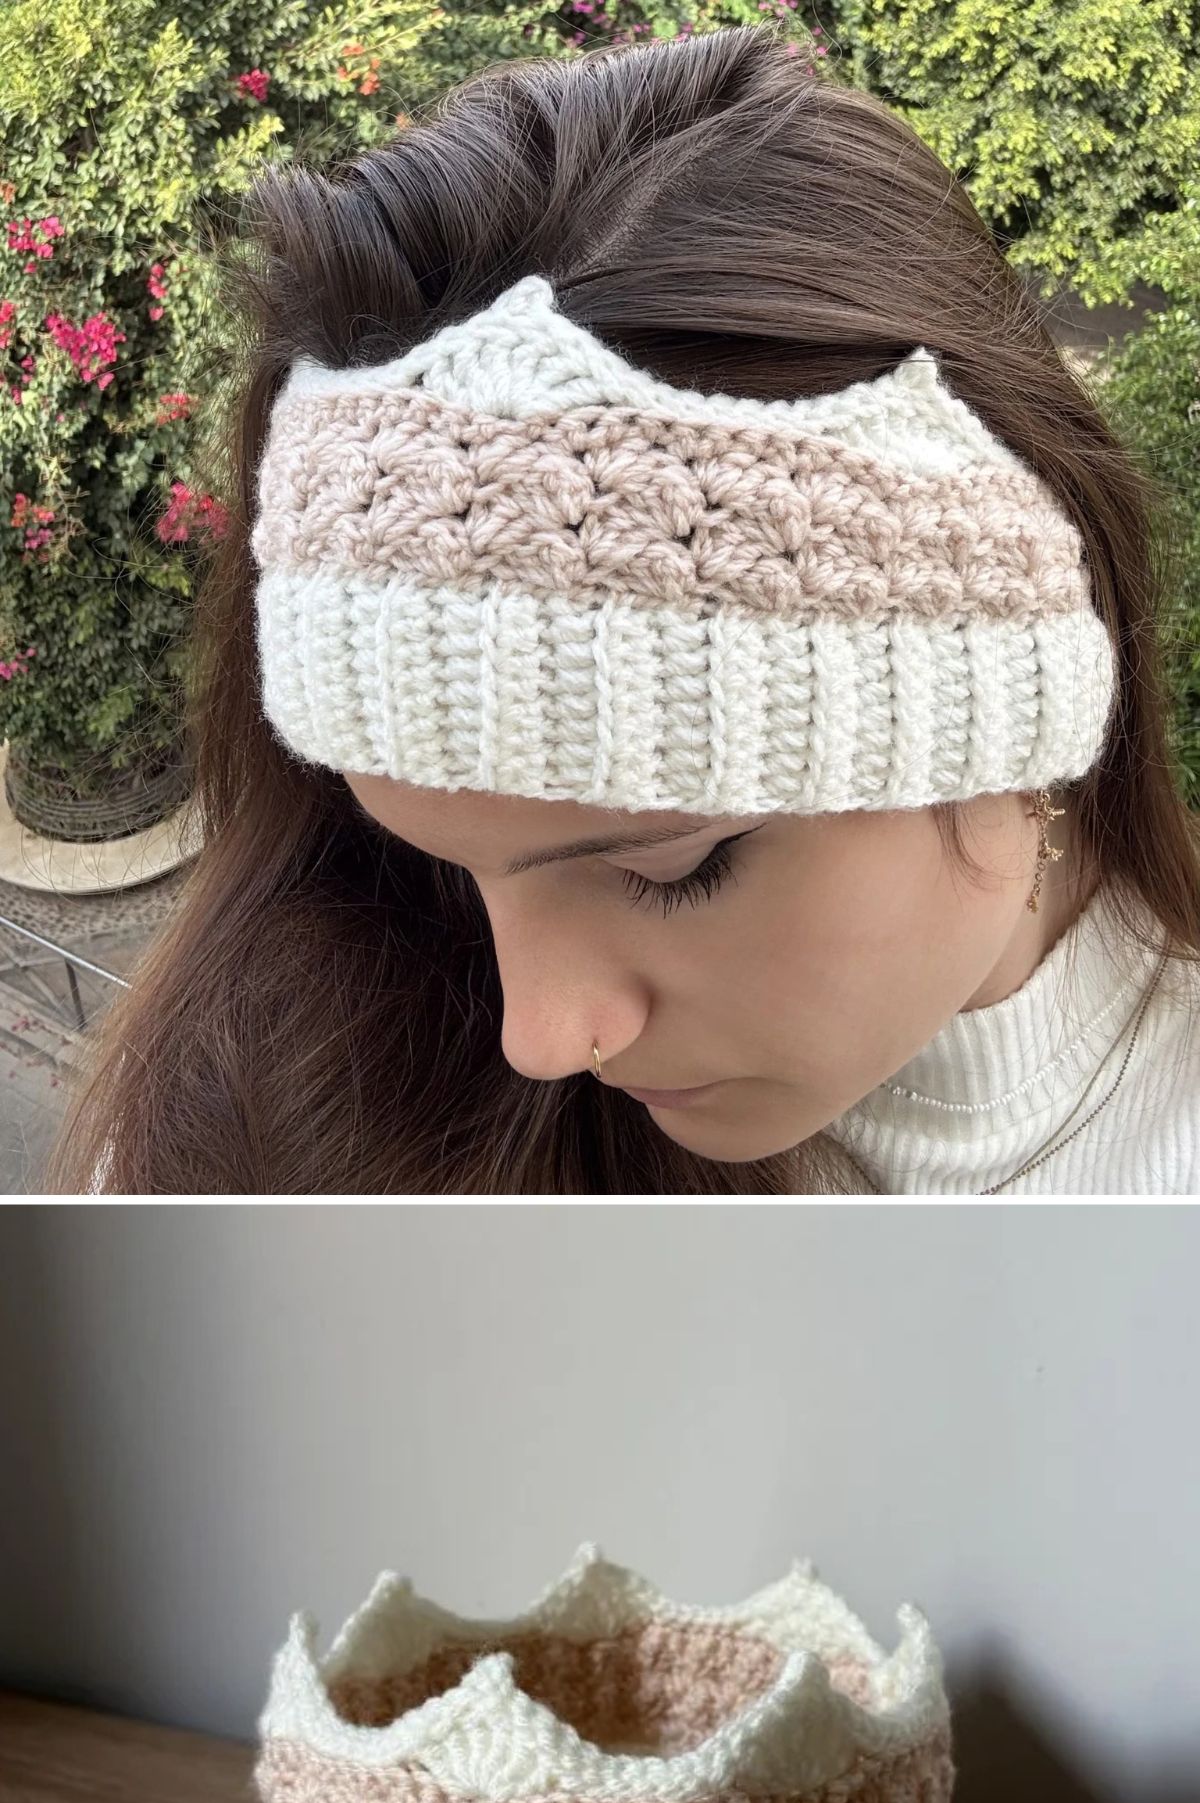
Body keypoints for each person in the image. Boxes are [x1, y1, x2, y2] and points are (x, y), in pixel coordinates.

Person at [48, 23, 1200, 1197]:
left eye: (676, 869)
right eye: (442, 865)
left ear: (1014, 713)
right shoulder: (264, 1132)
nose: (541, 1037)